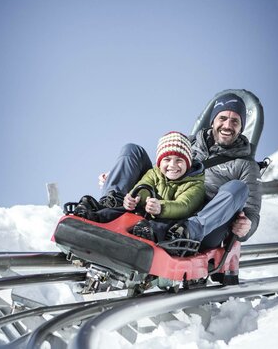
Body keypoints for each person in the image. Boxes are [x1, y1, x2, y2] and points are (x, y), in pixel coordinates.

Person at [96, 92, 262, 250]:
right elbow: (158, 172)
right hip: (162, 203)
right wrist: (122, 176)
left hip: (203, 223)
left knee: (238, 187)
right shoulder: (188, 142)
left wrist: (248, 226)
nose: (227, 125)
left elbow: (252, 212)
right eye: (223, 118)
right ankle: (110, 206)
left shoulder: (247, 165)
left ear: (241, 127)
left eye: (235, 121)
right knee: (132, 150)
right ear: (212, 121)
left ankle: (186, 231)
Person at [71, 132, 206, 246]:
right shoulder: (155, 172)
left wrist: (161, 208)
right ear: (160, 162)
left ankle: (148, 234)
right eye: (167, 159)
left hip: (170, 217)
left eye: (179, 160)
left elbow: (184, 206)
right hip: (146, 213)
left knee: (163, 226)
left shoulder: (195, 184)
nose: (173, 165)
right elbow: (143, 185)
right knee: (124, 211)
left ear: (188, 163)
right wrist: (133, 198)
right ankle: (94, 215)